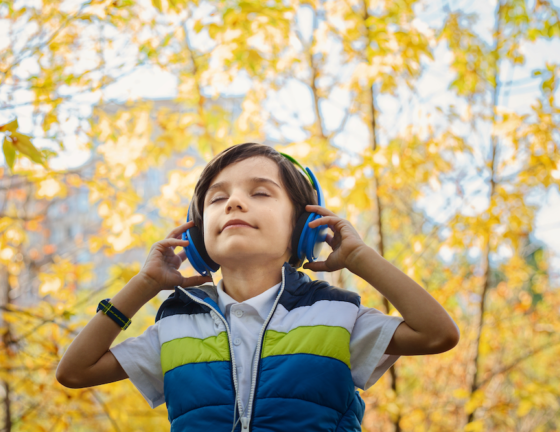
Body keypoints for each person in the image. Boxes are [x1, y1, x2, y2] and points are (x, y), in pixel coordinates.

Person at [56, 143, 460, 431]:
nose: (233, 203)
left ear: (302, 228)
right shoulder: (175, 328)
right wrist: (144, 285)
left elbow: (437, 333)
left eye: (260, 192)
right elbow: (74, 371)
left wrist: (359, 257)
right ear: (197, 239)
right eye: (217, 199)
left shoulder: (335, 317)